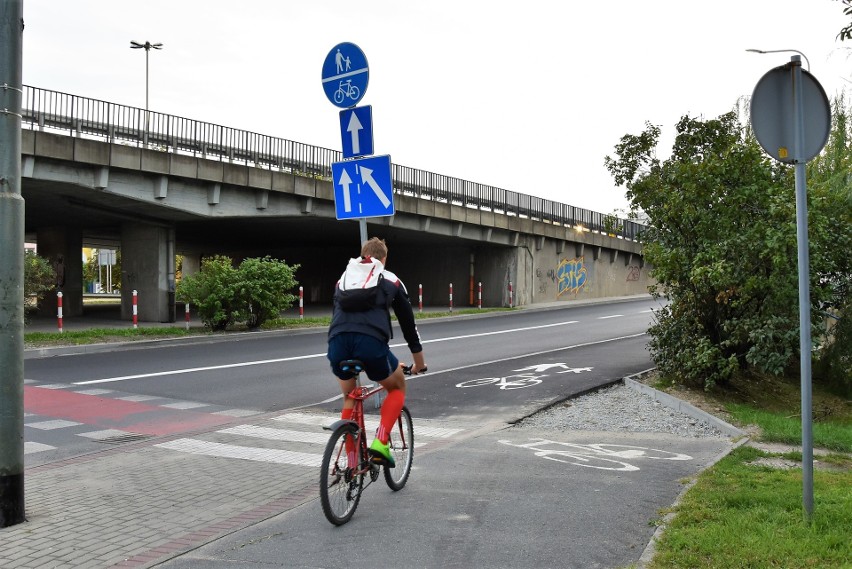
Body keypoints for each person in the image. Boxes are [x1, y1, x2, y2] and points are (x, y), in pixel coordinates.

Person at [327, 237, 427, 467]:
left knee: (349, 396)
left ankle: (351, 463)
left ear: (362, 254)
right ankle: (380, 443)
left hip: (337, 343)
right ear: (384, 259)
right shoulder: (391, 279)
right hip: (371, 345)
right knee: (397, 386)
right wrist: (418, 363)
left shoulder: (344, 278)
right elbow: (408, 326)